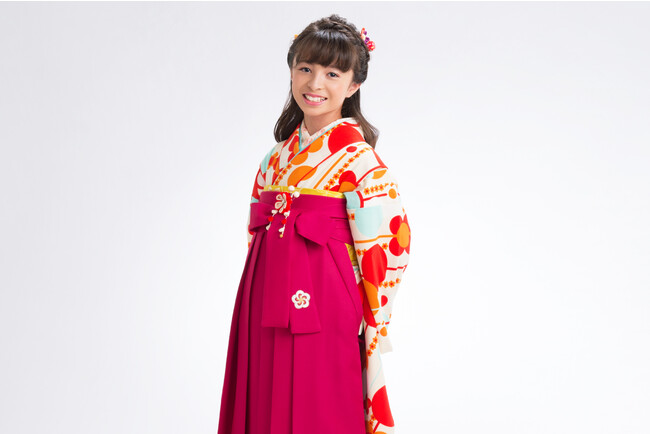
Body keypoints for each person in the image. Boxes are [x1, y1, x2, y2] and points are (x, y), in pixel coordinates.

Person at [217, 14, 411, 434]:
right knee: (262, 390)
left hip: (326, 302)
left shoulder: (362, 162)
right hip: (264, 292)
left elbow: (389, 245)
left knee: (319, 399)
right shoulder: (274, 158)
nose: (315, 83)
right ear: (291, 71)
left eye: (332, 73)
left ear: (354, 85)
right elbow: (255, 233)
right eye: (305, 68)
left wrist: (370, 314)